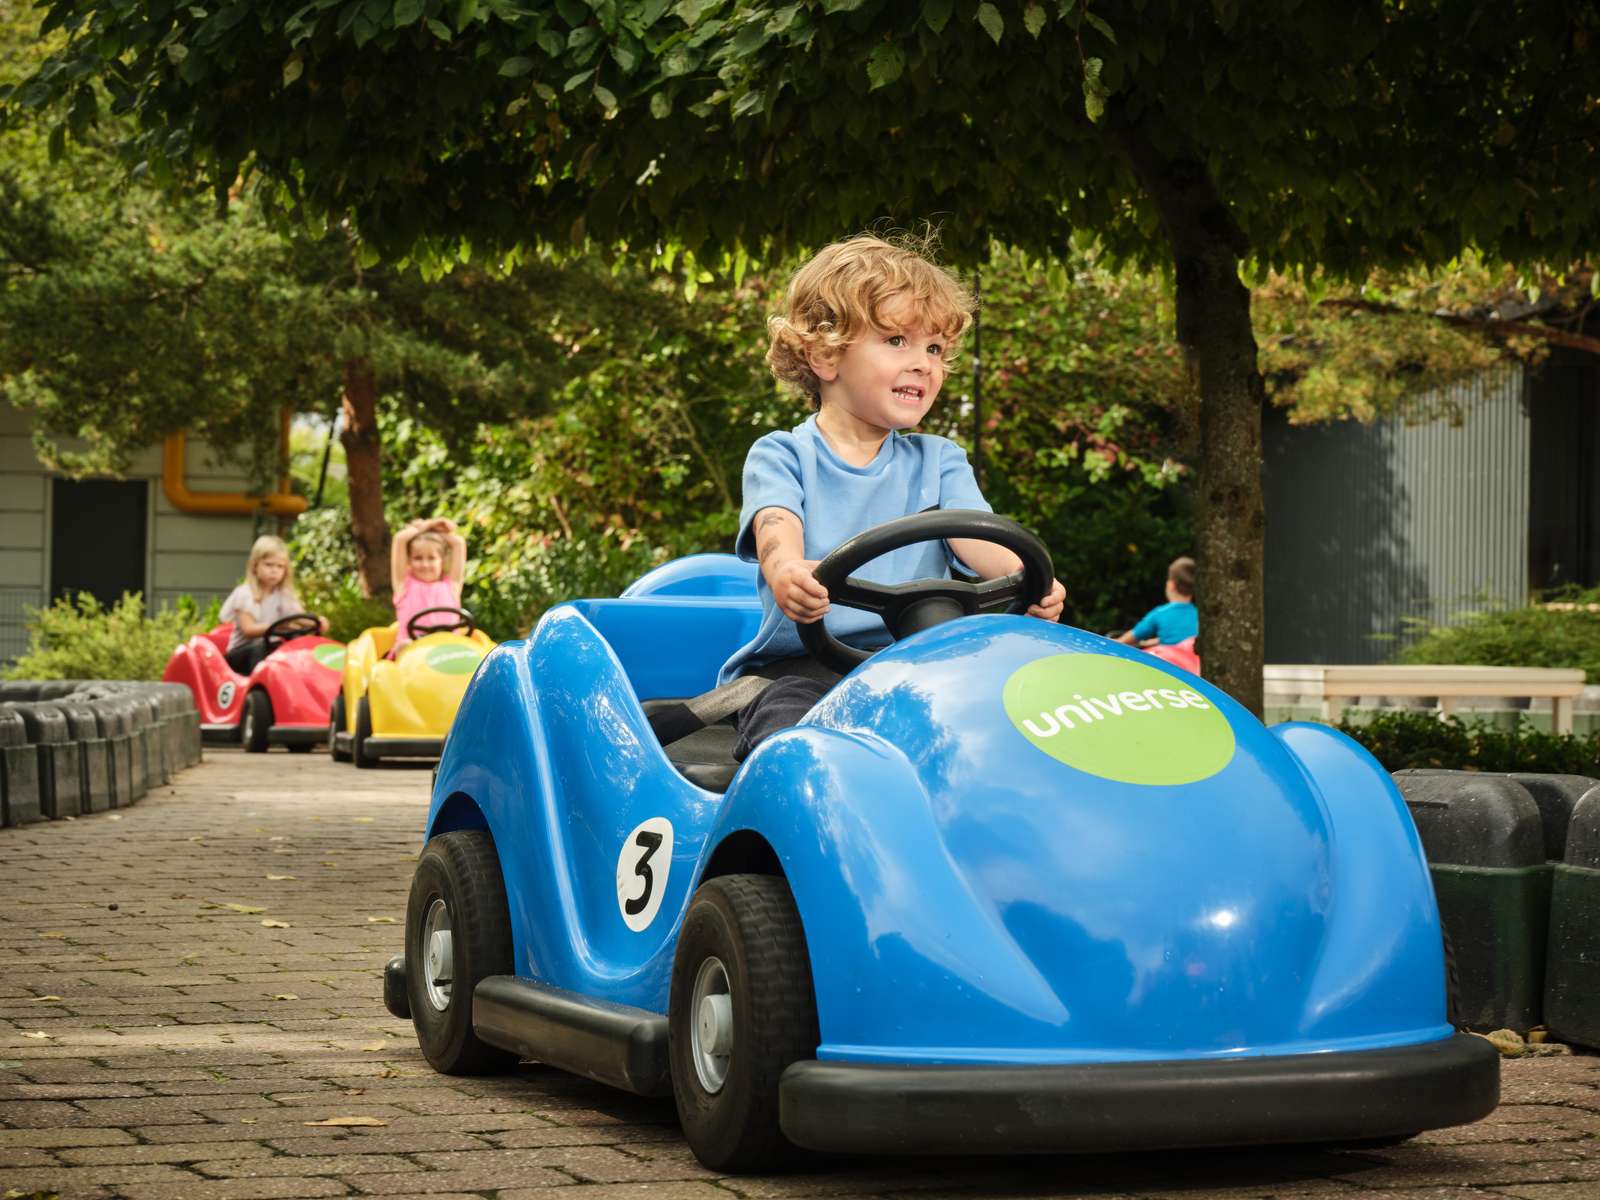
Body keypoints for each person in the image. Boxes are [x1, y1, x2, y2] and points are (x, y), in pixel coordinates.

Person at [717, 233, 1066, 761]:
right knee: (791, 736)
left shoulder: (939, 460)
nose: (924, 364)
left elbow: (980, 541)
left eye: (935, 349)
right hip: (808, 668)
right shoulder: (783, 455)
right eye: (897, 341)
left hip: (923, 667)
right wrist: (787, 570)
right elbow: (776, 531)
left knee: (1017, 726)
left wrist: (1030, 578)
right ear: (824, 354)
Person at [219, 535, 323, 675]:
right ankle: (257, 685)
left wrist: (316, 622)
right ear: (255, 565)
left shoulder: (284, 595)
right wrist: (278, 625)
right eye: (269, 565)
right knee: (262, 647)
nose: (274, 570)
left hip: (269, 648)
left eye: (280, 566)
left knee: (297, 642)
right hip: (241, 654)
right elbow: (248, 629)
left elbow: (299, 618)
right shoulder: (244, 594)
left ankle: (304, 680)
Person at [391, 518, 467, 653]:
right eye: (418, 558)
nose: (425, 564)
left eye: (431, 558)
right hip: (412, 653)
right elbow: (400, 539)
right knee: (405, 646)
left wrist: (435, 530)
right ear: (409, 560)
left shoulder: (452, 586)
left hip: (449, 651)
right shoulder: (403, 584)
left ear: (442, 560)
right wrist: (428, 526)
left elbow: (458, 543)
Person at [1116, 556, 1198, 648]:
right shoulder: (1201, 616)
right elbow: (1182, 639)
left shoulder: (1160, 614)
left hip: (1169, 661)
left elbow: (1123, 642)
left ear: (1171, 585)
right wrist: (1147, 643)